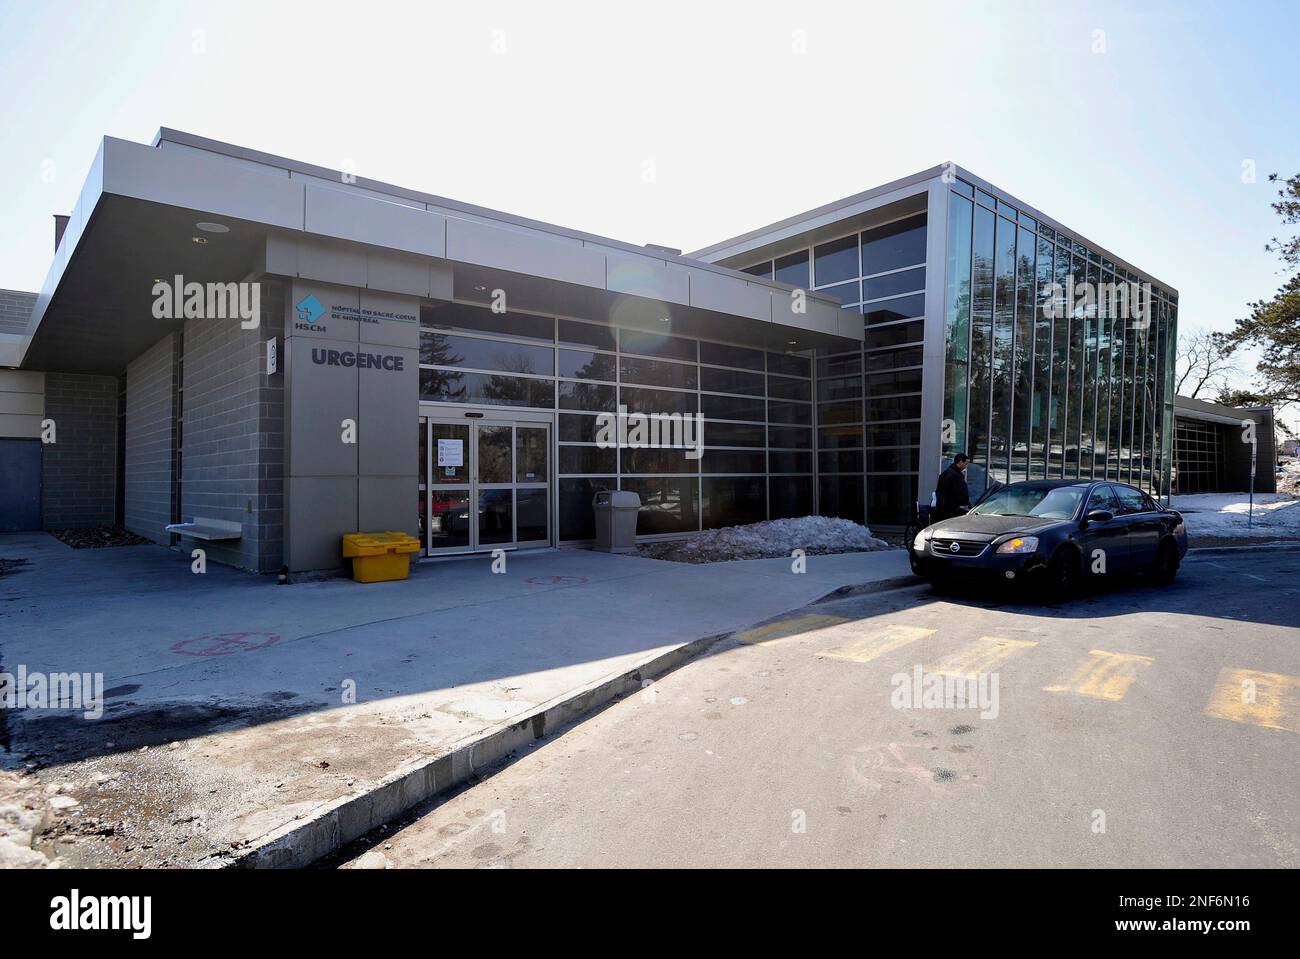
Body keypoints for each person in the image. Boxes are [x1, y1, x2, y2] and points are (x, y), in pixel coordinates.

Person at [933, 453, 972, 523]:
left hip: (941, 508)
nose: (966, 466)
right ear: (960, 462)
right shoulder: (956, 476)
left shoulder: (945, 473)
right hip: (951, 510)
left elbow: (939, 491)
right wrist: (967, 503)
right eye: (965, 464)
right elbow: (961, 494)